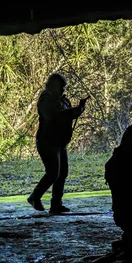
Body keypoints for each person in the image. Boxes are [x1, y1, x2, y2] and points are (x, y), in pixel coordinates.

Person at [27, 72, 88, 215]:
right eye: (61, 87)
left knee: (62, 173)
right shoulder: (46, 100)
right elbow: (54, 116)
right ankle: (35, 196)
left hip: (60, 141)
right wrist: (73, 111)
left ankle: (56, 203)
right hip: (47, 142)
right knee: (53, 172)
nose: (63, 90)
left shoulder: (63, 100)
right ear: (53, 87)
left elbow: (68, 115)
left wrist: (79, 109)